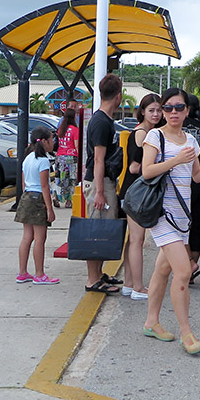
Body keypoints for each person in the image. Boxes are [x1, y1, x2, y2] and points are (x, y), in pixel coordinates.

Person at [141, 88, 200, 355]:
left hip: (182, 215)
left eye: (179, 107)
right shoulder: (155, 136)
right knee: (183, 271)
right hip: (162, 213)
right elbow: (147, 171)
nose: (173, 112)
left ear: (187, 111)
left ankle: (151, 322)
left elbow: (195, 177)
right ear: (162, 111)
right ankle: (187, 333)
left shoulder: (191, 140)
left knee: (163, 269)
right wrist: (175, 160)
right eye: (168, 107)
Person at [82, 73, 124, 294]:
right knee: (96, 230)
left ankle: (99, 274)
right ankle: (92, 279)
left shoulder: (105, 120)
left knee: (103, 229)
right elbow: (98, 159)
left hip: (104, 181)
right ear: (118, 97)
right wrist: (100, 192)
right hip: (98, 182)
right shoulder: (101, 122)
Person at [117, 93, 162, 300]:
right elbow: (135, 168)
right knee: (137, 240)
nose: (156, 114)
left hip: (131, 192)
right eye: (151, 110)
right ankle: (138, 287)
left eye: (159, 110)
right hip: (136, 193)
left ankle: (129, 284)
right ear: (142, 111)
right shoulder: (143, 133)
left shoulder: (146, 131)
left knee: (133, 240)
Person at [15, 126, 59, 285]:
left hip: (27, 197)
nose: (53, 142)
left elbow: (23, 183)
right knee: (40, 238)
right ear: (44, 141)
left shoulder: (27, 158)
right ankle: (39, 274)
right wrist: (50, 209)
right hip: (38, 199)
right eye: (52, 139)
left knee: (27, 236)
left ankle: (22, 272)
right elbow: (44, 186)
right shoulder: (43, 161)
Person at [182, 93, 200, 284]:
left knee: (179, 227)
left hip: (180, 184)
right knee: (196, 226)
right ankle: (190, 267)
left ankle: (186, 266)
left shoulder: (175, 129)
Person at [53, 107, 79, 208]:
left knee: (59, 179)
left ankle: (56, 197)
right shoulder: (75, 130)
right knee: (71, 180)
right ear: (73, 117)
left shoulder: (61, 129)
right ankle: (68, 201)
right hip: (71, 157)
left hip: (59, 157)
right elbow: (76, 145)